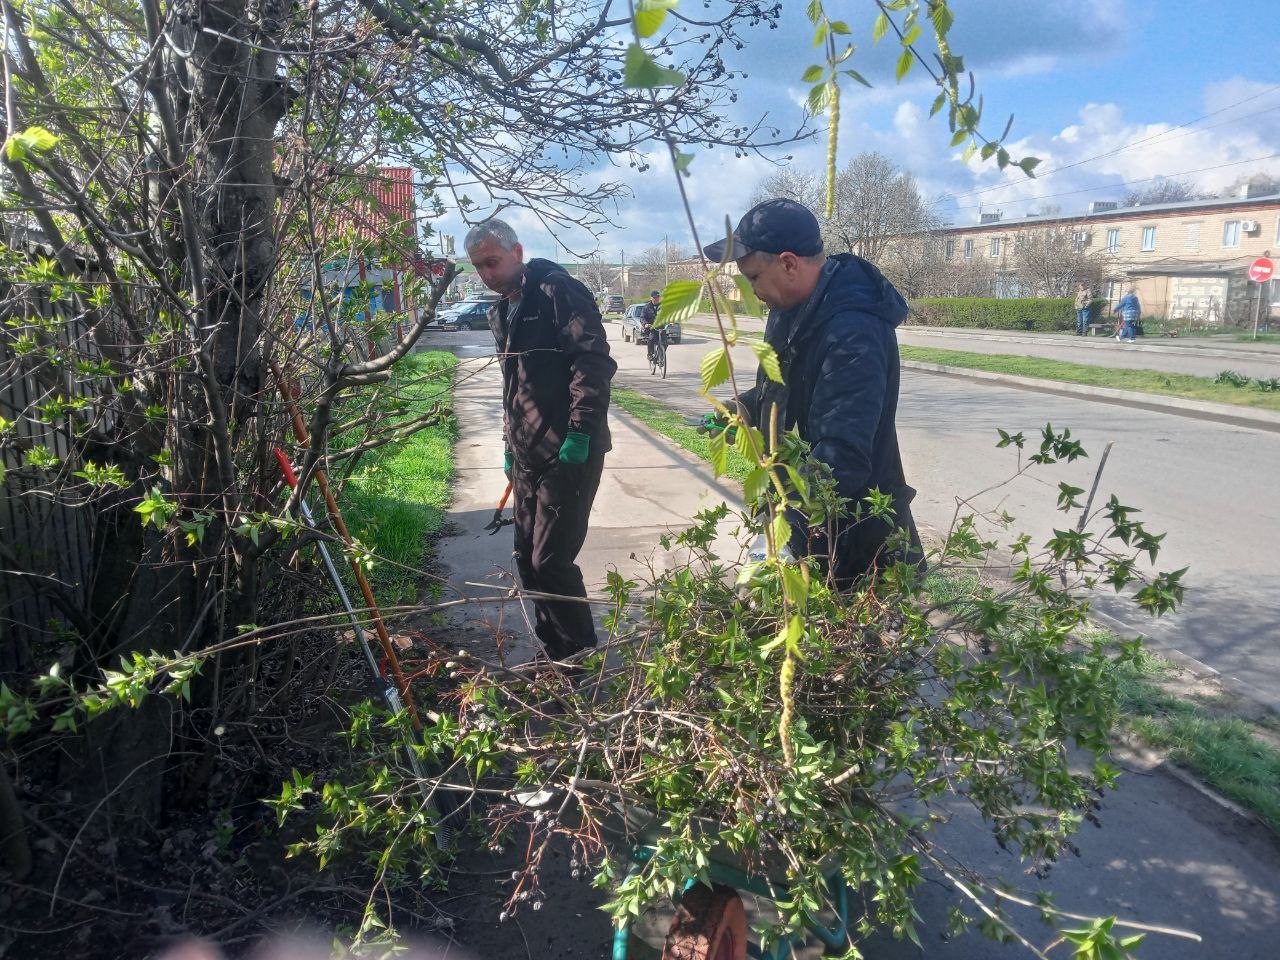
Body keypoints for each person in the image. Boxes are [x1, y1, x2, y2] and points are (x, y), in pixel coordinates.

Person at [703, 198, 923, 585]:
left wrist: (780, 541)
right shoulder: (790, 310)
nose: (752, 290)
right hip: (802, 520)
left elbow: (840, 457)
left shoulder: (853, 331)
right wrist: (743, 409)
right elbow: (784, 389)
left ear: (789, 263)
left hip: (852, 548)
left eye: (753, 277)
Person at [465, 219, 617, 661]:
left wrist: (581, 433)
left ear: (517, 252)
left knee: (550, 560)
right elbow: (514, 388)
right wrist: (508, 445)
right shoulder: (501, 312)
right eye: (479, 267)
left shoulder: (558, 293)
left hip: (568, 451)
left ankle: (578, 657)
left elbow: (592, 363)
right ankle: (555, 651)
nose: (487, 274)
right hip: (527, 453)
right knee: (526, 558)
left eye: (492, 262)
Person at [641, 289, 662, 362]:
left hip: (661, 327)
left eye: (658, 297)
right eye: (655, 297)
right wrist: (645, 324)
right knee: (651, 339)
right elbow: (642, 317)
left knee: (665, 342)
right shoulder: (647, 307)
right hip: (652, 328)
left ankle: (661, 355)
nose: (656, 299)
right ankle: (650, 354)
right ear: (651, 298)